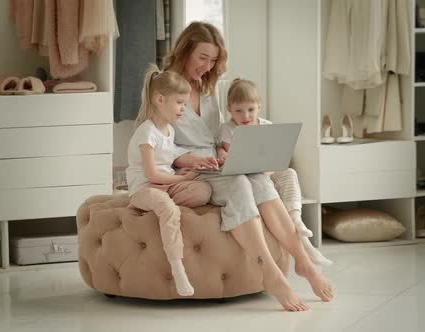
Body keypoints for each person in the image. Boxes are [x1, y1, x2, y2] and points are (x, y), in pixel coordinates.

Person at [163, 22, 333, 311]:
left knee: (259, 179)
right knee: (240, 183)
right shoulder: (163, 84)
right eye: (202, 57)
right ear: (186, 49)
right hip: (192, 167)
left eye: (213, 60)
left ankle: (303, 262)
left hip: (217, 161)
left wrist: (227, 153)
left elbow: (217, 132)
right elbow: (154, 138)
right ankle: (269, 271)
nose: (207, 66)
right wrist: (188, 159)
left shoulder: (207, 87)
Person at [216, 78, 333, 265]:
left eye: (251, 110)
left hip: (267, 172)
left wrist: (269, 169)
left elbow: (277, 158)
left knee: (289, 173)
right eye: (239, 110)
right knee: (264, 180)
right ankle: (306, 247)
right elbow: (235, 161)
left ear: (259, 106)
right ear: (229, 109)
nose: (245, 115)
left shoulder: (266, 125)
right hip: (249, 177)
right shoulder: (227, 130)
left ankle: (295, 217)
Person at [125, 64, 212, 297]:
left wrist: (197, 161)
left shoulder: (169, 130)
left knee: (203, 191)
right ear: (160, 100)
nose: (184, 108)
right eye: (180, 103)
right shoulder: (146, 133)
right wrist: (177, 179)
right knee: (167, 207)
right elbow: (152, 174)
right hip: (144, 189)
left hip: (165, 186)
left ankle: (169, 201)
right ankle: (177, 267)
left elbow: (174, 155)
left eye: (185, 103)